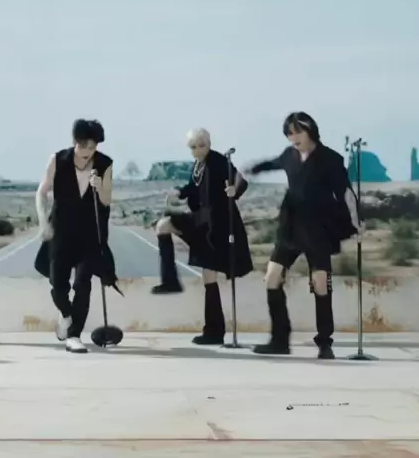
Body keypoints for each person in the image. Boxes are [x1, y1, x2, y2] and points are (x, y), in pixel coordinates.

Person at [244, 111, 362, 360]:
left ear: (310, 131)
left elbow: (345, 192)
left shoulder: (330, 158)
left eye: (298, 132)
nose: (293, 138)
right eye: (289, 133)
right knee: (272, 278)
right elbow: (272, 163)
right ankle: (279, 340)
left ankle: (324, 342)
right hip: (291, 224)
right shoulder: (289, 155)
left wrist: (356, 221)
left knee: (320, 282)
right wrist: (253, 168)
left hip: (318, 227)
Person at [150, 128, 254, 345]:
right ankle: (170, 281)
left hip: (218, 224)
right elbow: (193, 188)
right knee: (163, 226)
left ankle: (214, 332)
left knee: (209, 275)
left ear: (209, 143)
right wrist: (179, 192)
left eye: (201, 145)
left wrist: (235, 191)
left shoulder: (218, 161)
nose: (198, 150)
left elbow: (240, 180)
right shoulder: (198, 165)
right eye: (193, 147)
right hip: (201, 219)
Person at [34, 119, 121, 354]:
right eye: (83, 146)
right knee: (57, 284)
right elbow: (42, 192)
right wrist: (43, 223)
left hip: (90, 233)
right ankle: (66, 314)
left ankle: (74, 335)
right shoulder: (58, 159)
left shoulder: (104, 164)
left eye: (92, 147)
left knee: (83, 282)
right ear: (75, 141)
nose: (87, 152)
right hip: (61, 230)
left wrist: (99, 185)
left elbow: (106, 201)